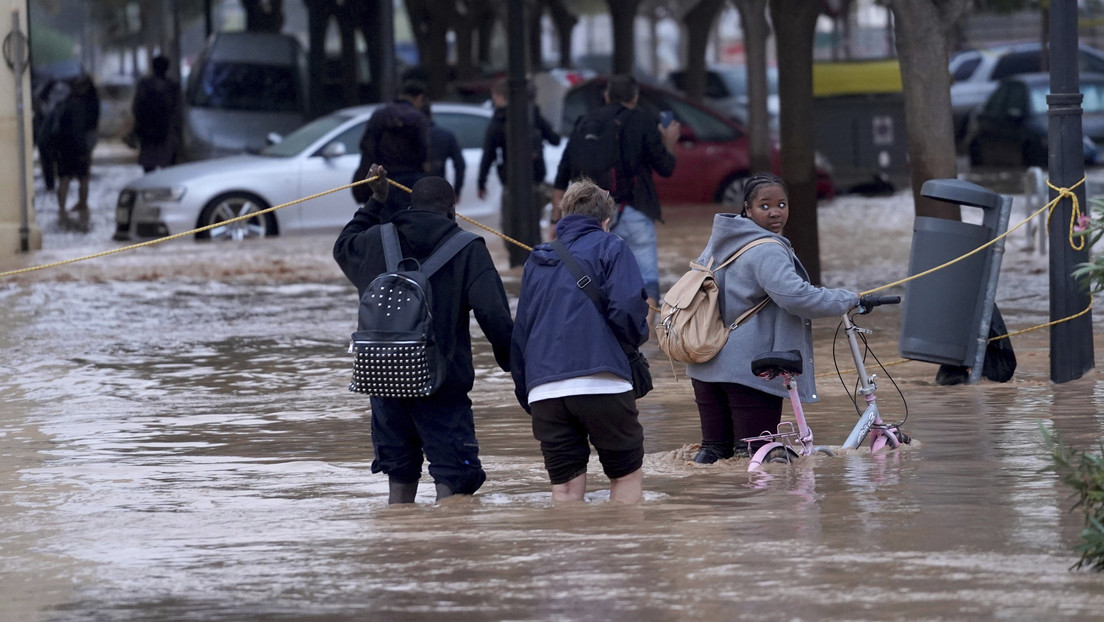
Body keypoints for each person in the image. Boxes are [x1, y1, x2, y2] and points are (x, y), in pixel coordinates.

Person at [333, 165, 514, 504]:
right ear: (452, 210)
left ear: (411, 206)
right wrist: (516, 368)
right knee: (455, 480)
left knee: (400, 475)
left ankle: (402, 547)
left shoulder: (375, 239)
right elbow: (495, 317)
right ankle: (446, 551)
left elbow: (342, 246)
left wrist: (375, 203)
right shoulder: (468, 248)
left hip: (385, 382)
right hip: (442, 385)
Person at [685, 173, 859, 464]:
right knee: (756, 458)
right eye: (764, 206)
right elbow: (797, 298)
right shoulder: (767, 249)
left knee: (714, 457)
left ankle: (708, 508)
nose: (776, 211)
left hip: (705, 366)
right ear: (747, 209)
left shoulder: (717, 244)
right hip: (750, 371)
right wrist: (849, 298)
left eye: (781, 204)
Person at [511, 179, 650, 503]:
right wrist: (634, 342)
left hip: (545, 389)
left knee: (565, 489)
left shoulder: (537, 258)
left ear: (564, 215)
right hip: (603, 383)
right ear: (605, 221)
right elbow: (627, 310)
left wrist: (528, 390)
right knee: (625, 476)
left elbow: (522, 331)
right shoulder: (612, 246)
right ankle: (627, 551)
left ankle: (571, 548)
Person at [552, 74, 679, 309]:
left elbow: (562, 175)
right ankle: (645, 337)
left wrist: (555, 220)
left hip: (588, 215)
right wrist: (669, 141)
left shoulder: (584, 121)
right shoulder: (642, 121)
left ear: (607, 96)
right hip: (634, 208)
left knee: (594, 277)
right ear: (635, 97)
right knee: (646, 279)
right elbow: (666, 168)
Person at [477, 78, 562, 268]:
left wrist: (481, 182)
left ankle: (519, 265)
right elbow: (555, 139)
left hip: (512, 185)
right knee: (533, 229)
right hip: (536, 182)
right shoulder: (533, 115)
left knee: (510, 229)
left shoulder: (499, 119)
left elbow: (488, 153)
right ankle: (538, 266)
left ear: (500, 97)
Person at [350, 80, 430, 226]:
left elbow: (366, 146)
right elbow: (424, 150)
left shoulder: (379, 114)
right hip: (410, 181)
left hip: (383, 180)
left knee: (384, 227)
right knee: (409, 225)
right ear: (419, 98)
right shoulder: (418, 118)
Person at [54, 75, 100, 214]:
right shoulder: (88, 104)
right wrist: (84, 150)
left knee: (66, 178)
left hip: (66, 147)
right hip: (78, 147)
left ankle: (64, 208)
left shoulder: (67, 103)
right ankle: (80, 205)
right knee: (81, 178)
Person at [132, 55, 182, 173]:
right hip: (166, 132)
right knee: (167, 167)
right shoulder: (173, 86)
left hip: (147, 132)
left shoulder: (144, 85)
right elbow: (178, 111)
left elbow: (136, 107)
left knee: (148, 167)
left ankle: (150, 188)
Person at [422, 101, 465, 200]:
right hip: (438, 187)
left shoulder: (408, 137)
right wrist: (457, 190)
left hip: (411, 189)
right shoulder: (446, 136)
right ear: (431, 115)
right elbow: (460, 165)